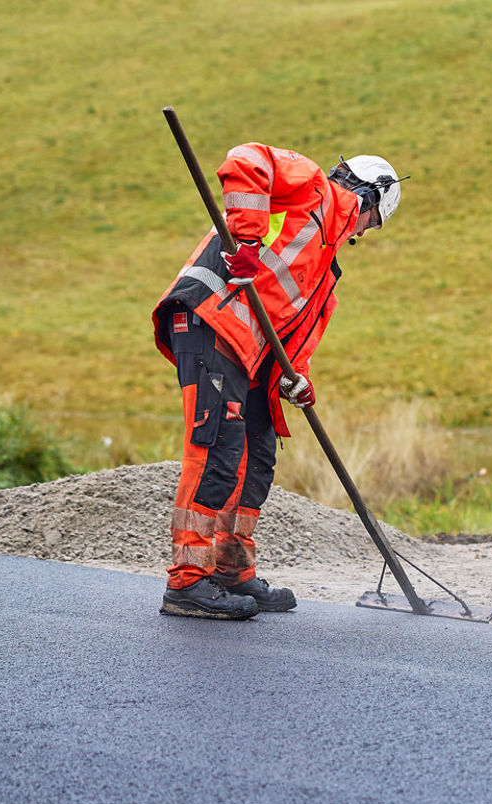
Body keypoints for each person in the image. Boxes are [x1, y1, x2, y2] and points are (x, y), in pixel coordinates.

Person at [150, 144, 403, 620]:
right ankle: (188, 580)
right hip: (210, 320)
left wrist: (297, 381)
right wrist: (245, 244)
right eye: (372, 223)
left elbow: (294, 339)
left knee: (257, 453)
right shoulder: (310, 188)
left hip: (250, 355)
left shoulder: (326, 272)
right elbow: (246, 160)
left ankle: (231, 570)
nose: (364, 233)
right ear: (372, 202)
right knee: (217, 448)